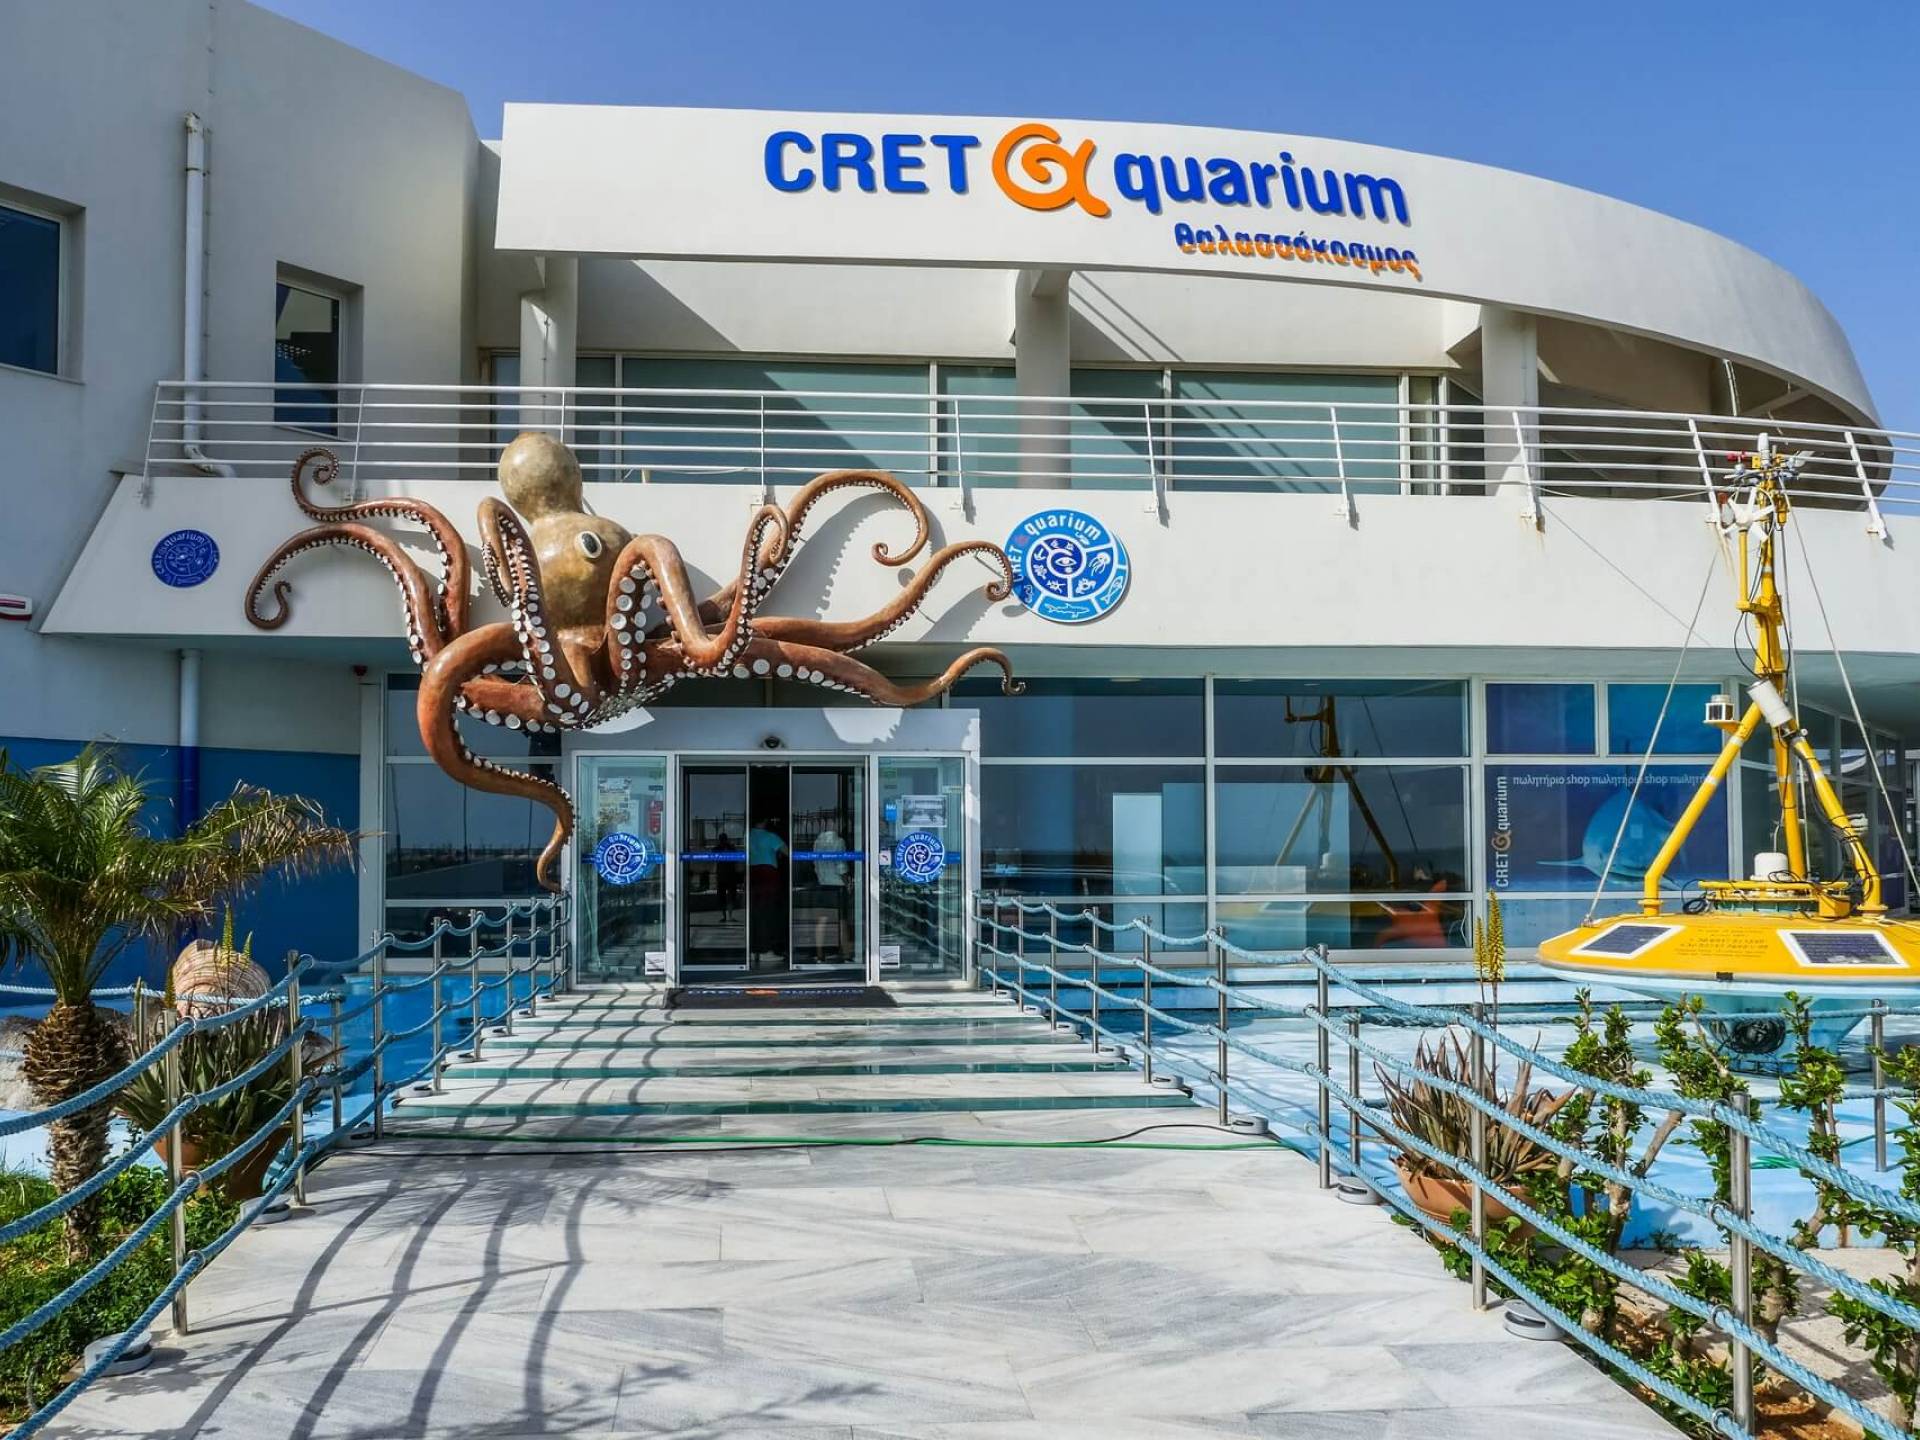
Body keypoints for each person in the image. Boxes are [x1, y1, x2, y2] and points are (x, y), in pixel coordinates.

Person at [747, 817, 789, 968]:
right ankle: (766, 950)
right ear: (764, 820)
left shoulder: (748, 835)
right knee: (768, 912)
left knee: (755, 912)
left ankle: (754, 949)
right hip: (768, 874)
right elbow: (788, 852)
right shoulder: (771, 836)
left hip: (753, 874)